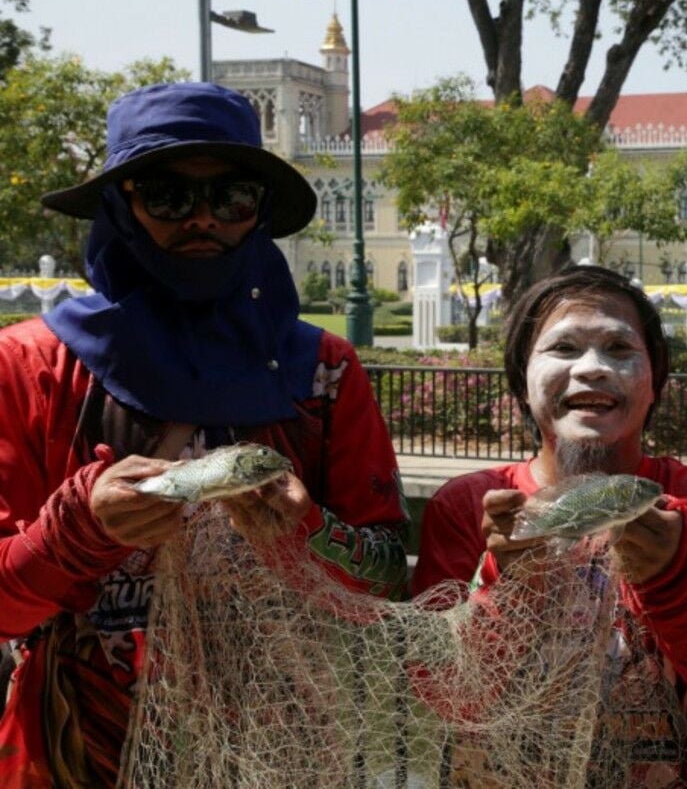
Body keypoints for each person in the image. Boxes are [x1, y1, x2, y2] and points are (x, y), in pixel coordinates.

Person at [0, 83, 409, 789]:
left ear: (259, 214)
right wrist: (77, 528)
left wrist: (305, 529)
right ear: (119, 204)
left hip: (280, 753)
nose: (202, 221)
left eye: (232, 198)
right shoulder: (31, 367)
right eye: (166, 196)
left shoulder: (324, 374)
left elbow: (386, 580)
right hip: (75, 753)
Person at [413, 265, 687, 788]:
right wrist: (507, 582)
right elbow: (444, 691)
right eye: (563, 349)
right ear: (521, 379)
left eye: (619, 348)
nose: (592, 368)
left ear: (656, 384)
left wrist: (684, 576)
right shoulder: (469, 506)